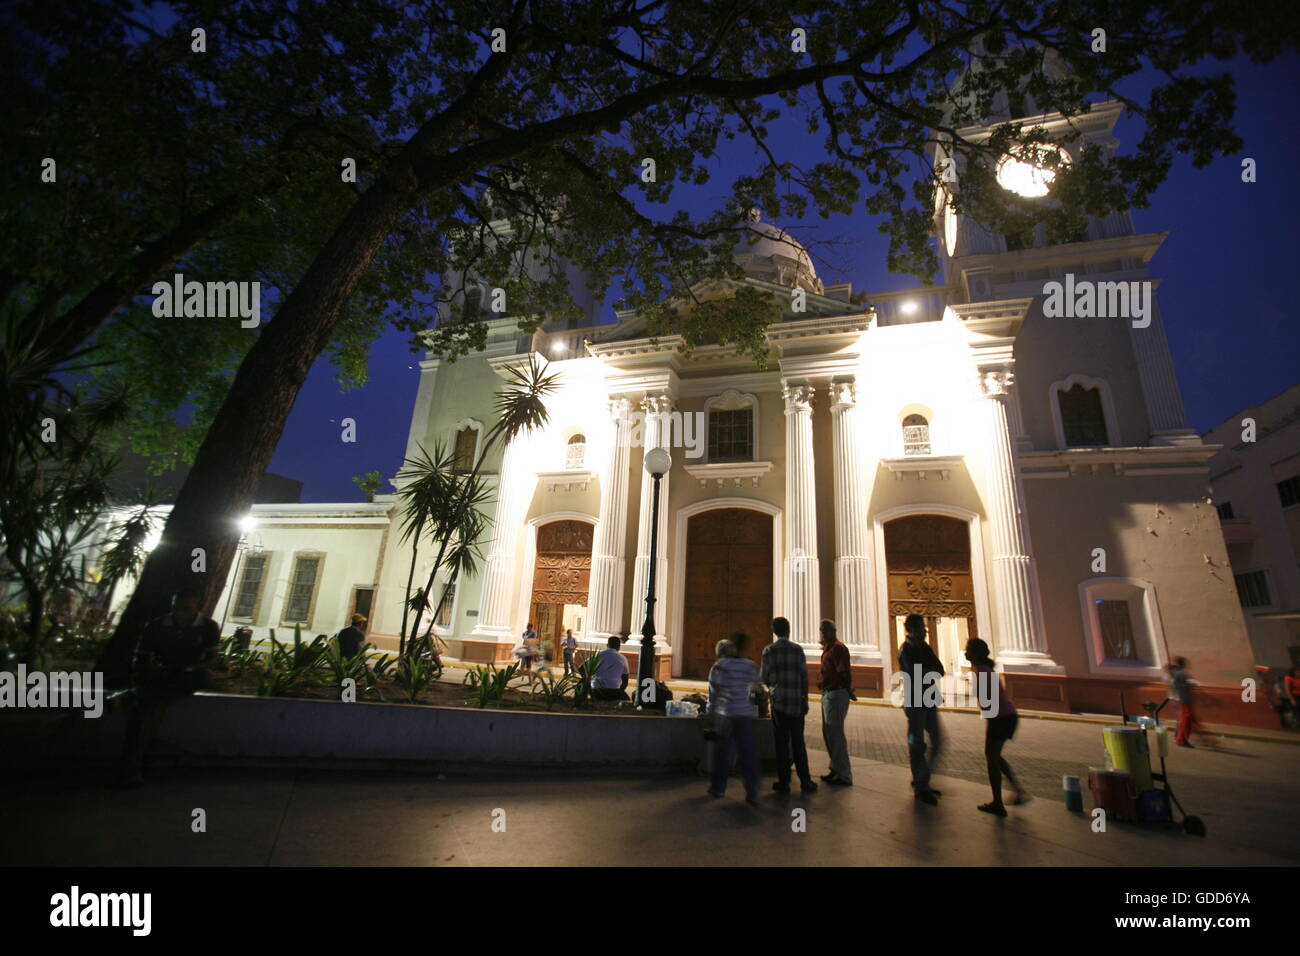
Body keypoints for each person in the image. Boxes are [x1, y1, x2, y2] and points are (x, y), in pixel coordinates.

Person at [118, 587, 221, 787]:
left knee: (152, 704)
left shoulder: (208, 627)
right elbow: (142, 657)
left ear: (196, 607)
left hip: (188, 675)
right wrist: (153, 668)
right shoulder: (156, 626)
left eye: (186, 608)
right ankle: (134, 763)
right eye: (176, 607)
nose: (180, 612)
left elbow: (211, 659)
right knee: (147, 706)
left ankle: (134, 764)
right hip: (161, 674)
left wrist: (190, 667)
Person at [966, 638, 1027, 816]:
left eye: (968, 650)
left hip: (1000, 718)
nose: (965, 652)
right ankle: (1018, 791)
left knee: (992, 760)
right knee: (995, 757)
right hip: (1004, 717)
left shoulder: (982, 672)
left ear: (976, 654)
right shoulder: (983, 670)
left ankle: (998, 803)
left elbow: (988, 702)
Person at [761, 616, 817, 793]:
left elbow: (765, 677)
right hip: (796, 703)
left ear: (774, 631)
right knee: (798, 742)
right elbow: (804, 677)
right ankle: (806, 781)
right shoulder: (797, 650)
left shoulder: (769, 651)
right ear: (789, 630)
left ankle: (784, 781)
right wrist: (805, 700)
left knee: (781, 743)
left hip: (779, 703)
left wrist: (774, 686)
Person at [707, 634, 762, 805]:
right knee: (748, 754)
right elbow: (757, 691)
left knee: (722, 754)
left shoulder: (721, 666)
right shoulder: (750, 666)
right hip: (745, 714)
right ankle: (752, 790)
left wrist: (711, 714)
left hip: (727, 714)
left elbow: (714, 691)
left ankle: (718, 788)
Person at [898, 614, 943, 804]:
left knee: (938, 742)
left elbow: (940, 670)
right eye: (921, 627)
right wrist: (926, 670)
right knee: (917, 744)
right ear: (912, 629)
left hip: (929, 699)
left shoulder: (924, 647)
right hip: (915, 701)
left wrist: (924, 670)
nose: (925, 630)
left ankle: (922, 779)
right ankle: (921, 785)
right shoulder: (905, 649)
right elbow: (912, 672)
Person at [817, 619, 855, 786]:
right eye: (822, 630)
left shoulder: (838, 648)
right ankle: (835, 769)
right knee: (829, 734)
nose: (824, 633)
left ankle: (844, 774)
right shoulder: (828, 648)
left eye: (827, 630)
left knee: (836, 735)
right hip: (828, 693)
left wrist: (847, 689)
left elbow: (844, 672)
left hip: (836, 694)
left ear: (834, 631)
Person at [1169, 657, 1215, 747]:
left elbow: (1176, 686)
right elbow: (1186, 685)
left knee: (1187, 721)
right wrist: (1193, 683)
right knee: (1185, 721)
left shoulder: (1177, 674)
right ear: (1183, 664)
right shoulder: (1182, 674)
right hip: (1185, 700)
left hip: (1183, 700)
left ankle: (1181, 738)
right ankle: (1181, 740)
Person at [590, 635, 629, 701]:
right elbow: (625, 681)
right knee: (627, 701)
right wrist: (620, 691)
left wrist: (589, 686)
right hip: (613, 691)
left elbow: (581, 668)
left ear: (607, 645)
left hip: (596, 690)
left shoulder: (598, 655)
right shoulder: (622, 658)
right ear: (619, 646)